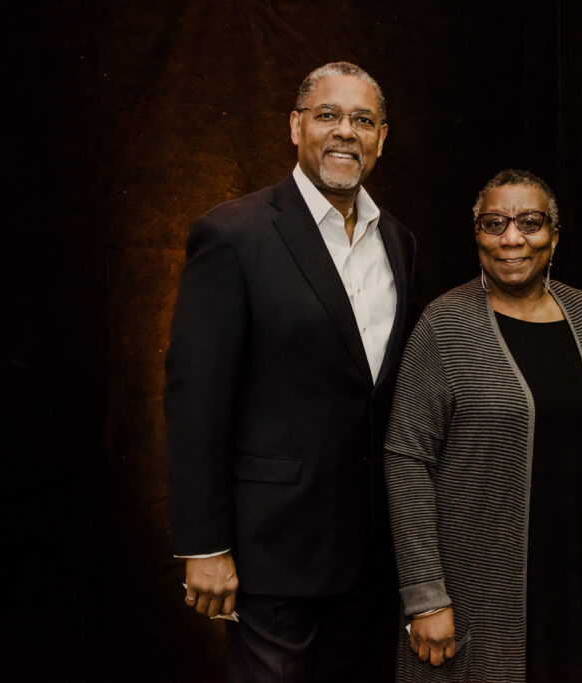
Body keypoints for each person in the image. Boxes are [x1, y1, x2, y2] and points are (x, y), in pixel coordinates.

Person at [163, 61, 415, 681]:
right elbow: (196, 397)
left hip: (372, 553)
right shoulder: (234, 234)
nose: (344, 132)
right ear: (296, 126)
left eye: (362, 120)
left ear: (382, 138)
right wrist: (204, 545)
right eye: (328, 115)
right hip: (270, 552)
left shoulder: (400, 243)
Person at [384, 169, 582, 682]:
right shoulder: (444, 324)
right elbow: (406, 461)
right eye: (494, 223)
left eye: (530, 222)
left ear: (555, 236)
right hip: (477, 585)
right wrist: (425, 594)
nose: (512, 238)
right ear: (476, 234)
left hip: (577, 576)